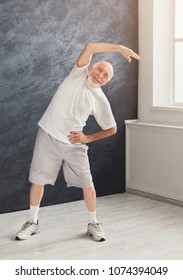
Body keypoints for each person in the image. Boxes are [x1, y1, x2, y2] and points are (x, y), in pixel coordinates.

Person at [15, 43, 141, 242]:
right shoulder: (77, 74)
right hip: (48, 135)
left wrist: (87, 138)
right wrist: (119, 49)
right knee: (38, 181)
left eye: (106, 75)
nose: (100, 75)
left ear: (106, 83)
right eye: (100, 69)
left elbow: (112, 128)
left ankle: (93, 223)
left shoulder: (100, 100)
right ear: (91, 68)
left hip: (74, 145)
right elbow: (90, 46)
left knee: (88, 185)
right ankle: (32, 222)